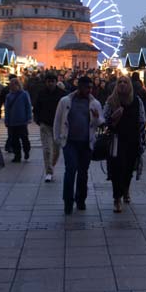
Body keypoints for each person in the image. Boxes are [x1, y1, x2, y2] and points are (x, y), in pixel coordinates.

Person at [53, 76, 104, 214]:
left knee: (83, 172)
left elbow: (100, 123)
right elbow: (58, 120)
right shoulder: (65, 101)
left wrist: (97, 117)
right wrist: (58, 139)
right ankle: (68, 201)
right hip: (70, 142)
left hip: (86, 143)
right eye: (87, 87)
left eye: (91, 87)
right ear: (79, 87)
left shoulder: (94, 103)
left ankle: (81, 199)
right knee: (71, 169)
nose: (89, 90)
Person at [104, 75, 145, 213]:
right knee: (117, 169)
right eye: (119, 82)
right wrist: (113, 117)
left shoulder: (136, 101)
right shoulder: (112, 101)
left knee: (128, 169)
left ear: (129, 85)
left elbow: (141, 120)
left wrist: (141, 139)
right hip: (116, 139)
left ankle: (126, 189)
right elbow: (104, 120)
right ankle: (117, 198)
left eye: (125, 82)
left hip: (132, 140)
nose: (122, 84)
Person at [34, 73, 66, 182]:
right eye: (48, 81)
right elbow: (36, 107)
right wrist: (38, 120)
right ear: (46, 82)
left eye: (52, 81)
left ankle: (51, 166)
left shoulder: (62, 94)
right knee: (47, 149)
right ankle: (49, 171)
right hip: (45, 124)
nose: (51, 83)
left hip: (58, 126)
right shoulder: (41, 93)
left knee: (57, 150)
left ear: (56, 81)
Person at [4, 78, 32, 162]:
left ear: (18, 85)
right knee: (14, 140)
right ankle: (17, 156)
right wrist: (6, 120)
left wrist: (29, 117)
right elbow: (7, 109)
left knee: (24, 138)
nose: (12, 87)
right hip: (12, 122)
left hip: (22, 121)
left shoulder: (24, 94)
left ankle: (26, 151)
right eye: (11, 85)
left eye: (13, 85)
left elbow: (28, 106)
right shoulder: (8, 96)